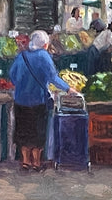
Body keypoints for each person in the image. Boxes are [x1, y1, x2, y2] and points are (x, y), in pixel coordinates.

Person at [9, 29, 79, 172]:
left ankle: (25, 162)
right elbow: (53, 77)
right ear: (45, 44)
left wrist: (23, 85)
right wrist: (68, 89)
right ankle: (36, 163)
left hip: (21, 100)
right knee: (37, 132)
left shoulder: (22, 56)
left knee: (23, 131)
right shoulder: (44, 56)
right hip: (38, 100)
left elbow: (12, 75)